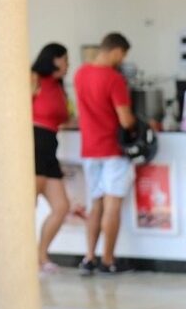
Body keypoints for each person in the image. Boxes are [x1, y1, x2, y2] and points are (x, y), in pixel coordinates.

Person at [73, 32, 135, 275]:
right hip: (112, 149)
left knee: (95, 204)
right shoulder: (113, 78)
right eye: (123, 55)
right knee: (112, 206)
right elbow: (125, 119)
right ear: (117, 50)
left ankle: (89, 257)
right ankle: (108, 260)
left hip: (89, 149)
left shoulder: (80, 74)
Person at [31, 42, 74, 275]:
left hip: (50, 145)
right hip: (35, 143)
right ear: (55, 59)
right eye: (65, 59)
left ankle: (41, 254)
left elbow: (66, 117)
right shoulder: (34, 78)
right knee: (29, 204)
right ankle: (23, 257)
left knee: (61, 206)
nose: (68, 65)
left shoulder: (58, 87)